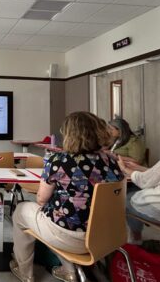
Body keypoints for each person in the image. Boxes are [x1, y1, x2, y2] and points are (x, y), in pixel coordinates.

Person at [11, 112, 124, 282]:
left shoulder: (59, 160)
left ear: (69, 134)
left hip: (71, 238)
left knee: (21, 211)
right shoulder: (111, 161)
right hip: (105, 236)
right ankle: (68, 270)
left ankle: (25, 271)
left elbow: (41, 200)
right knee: (64, 218)